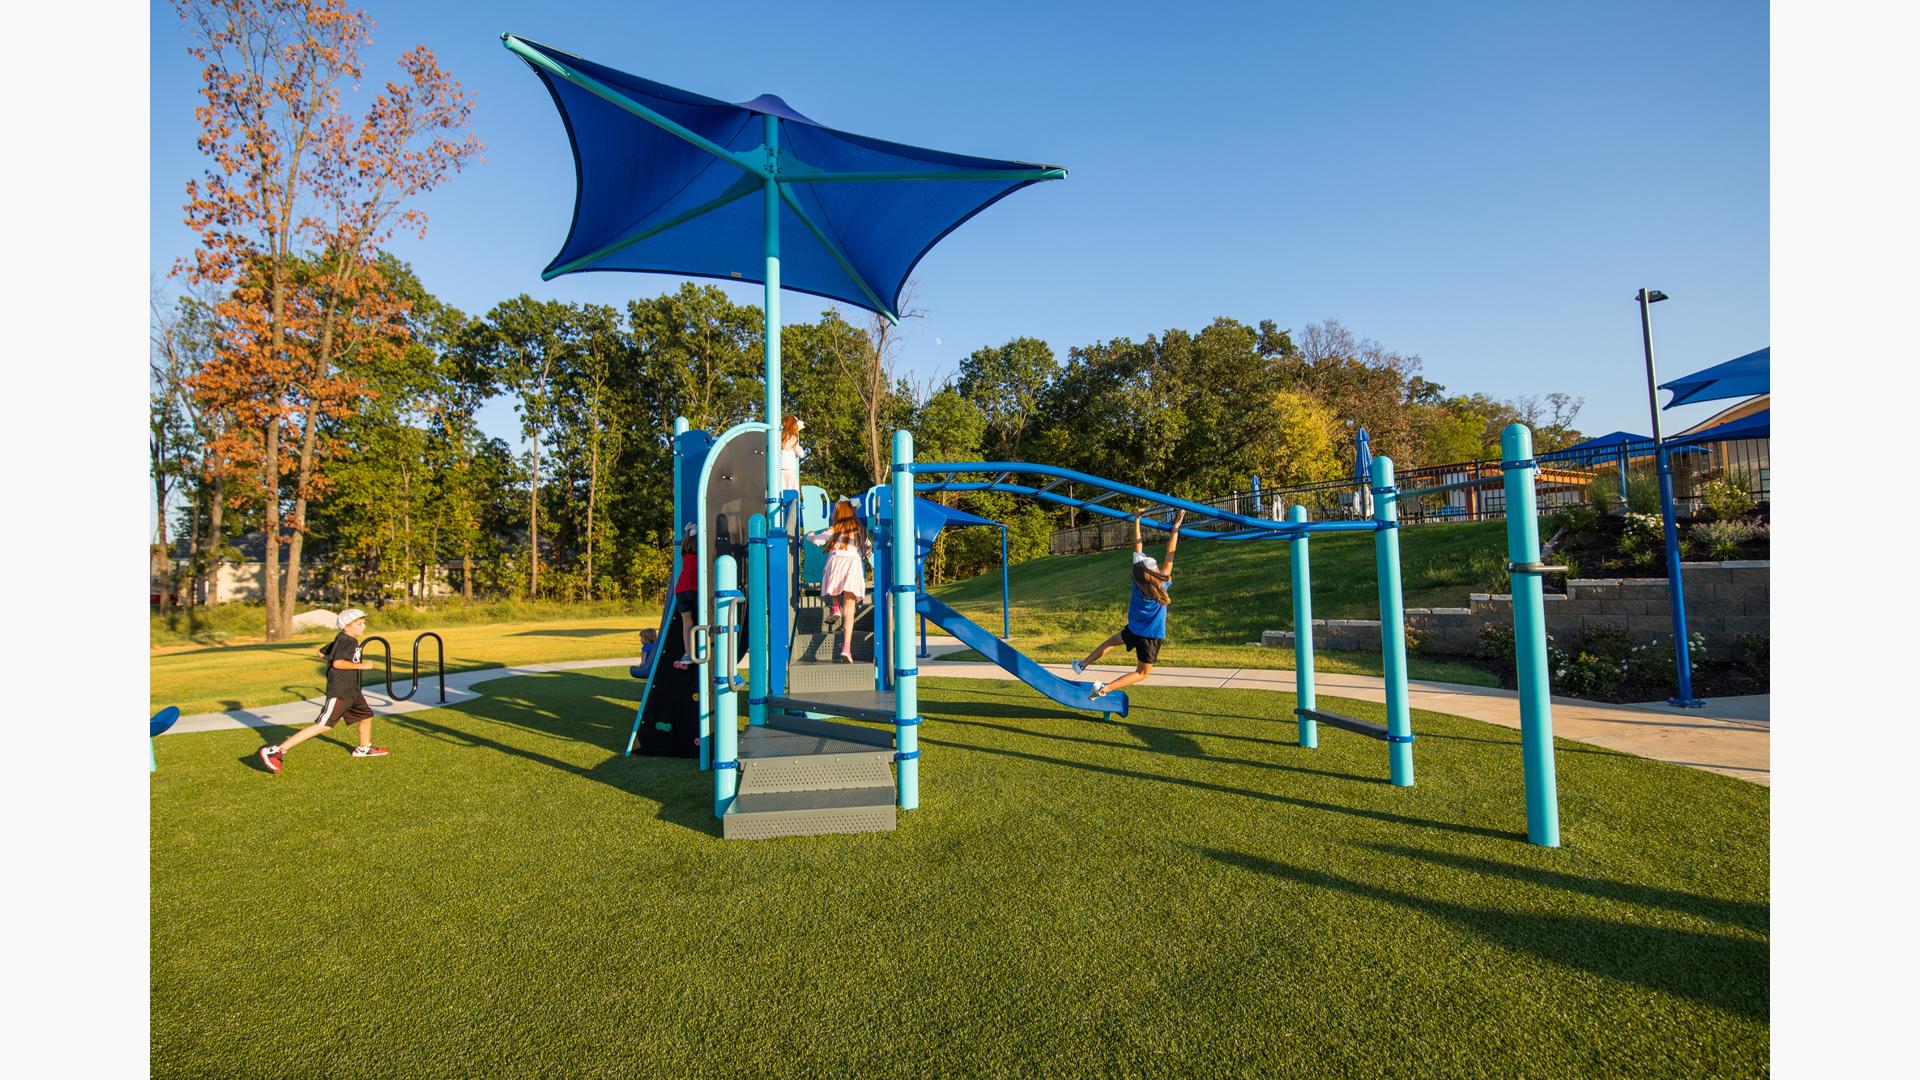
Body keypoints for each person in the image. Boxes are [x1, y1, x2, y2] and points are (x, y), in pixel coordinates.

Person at [258, 609, 388, 772]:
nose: (364, 626)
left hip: (352, 690)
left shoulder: (342, 639)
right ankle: (275, 752)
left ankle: (364, 748)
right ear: (347, 627)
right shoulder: (348, 641)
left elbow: (320, 653)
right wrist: (362, 665)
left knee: (366, 715)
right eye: (359, 624)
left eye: (363, 623)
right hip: (341, 691)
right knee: (324, 725)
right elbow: (338, 664)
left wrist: (335, 657)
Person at [1073, 508, 1185, 699]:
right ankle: (1104, 689)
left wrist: (1137, 520)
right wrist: (1176, 526)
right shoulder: (1163, 583)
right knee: (1141, 673)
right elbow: (1170, 552)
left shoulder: (1137, 581)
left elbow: (1138, 546)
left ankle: (1082, 664)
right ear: (1155, 572)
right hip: (1150, 637)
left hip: (1134, 630)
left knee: (1111, 642)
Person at [807, 498, 872, 662]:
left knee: (834, 587)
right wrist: (864, 552)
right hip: (853, 565)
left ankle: (835, 608)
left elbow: (816, 540)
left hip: (836, 562)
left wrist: (810, 536)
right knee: (849, 610)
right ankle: (846, 649)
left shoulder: (834, 529)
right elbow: (869, 547)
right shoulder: (859, 530)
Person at [673, 521, 699, 669]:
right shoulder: (701, 553)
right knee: (706, 617)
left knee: (687, 623)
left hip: (681, 590)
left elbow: (687, 539)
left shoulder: (684, 551)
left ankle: (688, 654)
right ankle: (706, 648)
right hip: (695, 588)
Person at [779, 415, 806, 496]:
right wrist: (797, 432)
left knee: (779, 496)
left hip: (778, 472)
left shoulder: (778, 438)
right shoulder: (794, 438)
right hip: (789, 473)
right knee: (792, 497)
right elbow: (801, 454)